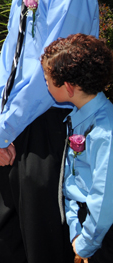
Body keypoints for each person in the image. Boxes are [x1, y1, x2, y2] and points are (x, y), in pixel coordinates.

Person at [0, 0, 99, 263]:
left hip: (52, 128)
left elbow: (52, 74)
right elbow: (8, 66)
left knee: (43, 243)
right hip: (13, 127)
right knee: (2, 241)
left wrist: (4, 130)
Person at [40, 34, 113, 263]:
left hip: (102, 235)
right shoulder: (80, 118)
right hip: (86, 228)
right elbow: (73, 183)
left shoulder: (104, 131)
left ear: (68, 87)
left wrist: (85, 244)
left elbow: (105, 198)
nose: (46, 84)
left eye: (47, 79)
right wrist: (75, 227)